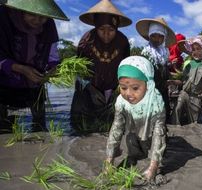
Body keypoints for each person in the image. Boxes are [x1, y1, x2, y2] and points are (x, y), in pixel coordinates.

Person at [0, 0, 68, 132]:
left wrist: (54, 68)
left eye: (42, 16)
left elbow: (52, 55)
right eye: (32, 14)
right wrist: (20, 68)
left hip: (36, 83)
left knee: (40, 125)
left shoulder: (48, 25)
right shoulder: (3, 18)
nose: (38, 20)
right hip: (4, 83)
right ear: (21, 10)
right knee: (4, 128)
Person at [70, 0, 131, 134]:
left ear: (116, 28)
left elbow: (126, 67)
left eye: (111, 30)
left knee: (111, 125)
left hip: (113, 87)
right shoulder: (87, 40)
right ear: (96, 27)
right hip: (90, 87)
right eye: (102, 29)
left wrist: (121, 87)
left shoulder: (123, 42)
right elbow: (80, 69)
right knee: (83, 127)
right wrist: (89, 87)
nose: (106, 34)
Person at [105, 56, 167, 181]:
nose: (128, 94)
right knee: (131, 143)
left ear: (148, 85)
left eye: (135, 88)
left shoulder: (156, 103)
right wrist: (109, 161)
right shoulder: (121, 102)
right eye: (123, 88)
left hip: (151, 135)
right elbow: (116, 129)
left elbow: (158, 135)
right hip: (134, 134)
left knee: (157, 156)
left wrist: (153, 168)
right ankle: (135, 154)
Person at [136, 17, 176, 121]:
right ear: (149, 36)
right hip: (150, 90)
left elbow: (165, 70)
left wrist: (170, 79)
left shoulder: (164, 52)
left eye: (160, 36)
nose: (157, 39)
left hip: (163, 90)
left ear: (164, 38)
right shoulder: (146, 53)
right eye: (153, 36)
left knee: (164, 113)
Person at [168, 35, 202, 126]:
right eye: (193, 50)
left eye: (198, 49)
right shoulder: (189, 65)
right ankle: (175, 129)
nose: (195, 52)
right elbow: (182, 81)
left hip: (197, 96)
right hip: (185, 92)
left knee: (194, 120)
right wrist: (173, 82)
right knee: (177, 109)